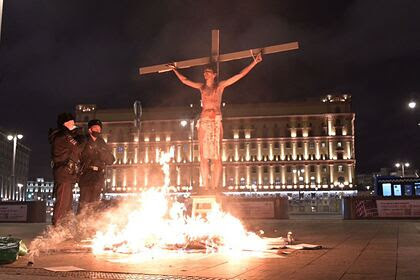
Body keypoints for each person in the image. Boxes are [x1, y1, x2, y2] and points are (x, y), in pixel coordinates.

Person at [169, 53, 262, 190]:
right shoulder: (201, 88)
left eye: (208, 72)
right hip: (204, 121)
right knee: (203, 156)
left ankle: (214, 186)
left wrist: (254, 62)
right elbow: (185, 80)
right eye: (204, 72)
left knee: (217, 156)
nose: (205, 74)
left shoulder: (220, 87)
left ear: (214, 74)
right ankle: (206, 186)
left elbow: (239, 75)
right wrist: (174, 70)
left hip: (215, 121)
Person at [48, 112, 82, 226]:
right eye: (71, 123)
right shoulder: (62, 136)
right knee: (62, 201)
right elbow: (78, 147)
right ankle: (57, 228)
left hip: (68, 172)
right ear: (64, 124)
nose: (74, 125)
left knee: (67, 203)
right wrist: (80, 137)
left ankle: (63, 228)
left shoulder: (65, 135)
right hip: (63, 171)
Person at [78, 119, 115, 213]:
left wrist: (102, 154)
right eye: (95, 128)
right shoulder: (83, 140)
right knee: (84, 202)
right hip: (86, 174)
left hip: (98, 175)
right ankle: (81, 223)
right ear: (90, 129)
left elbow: (111, 160)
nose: (98, 131)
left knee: (95, 202)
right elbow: (78, 155)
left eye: (99, 129)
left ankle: (92, 224)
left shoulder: (102, 142)